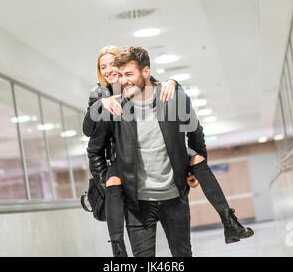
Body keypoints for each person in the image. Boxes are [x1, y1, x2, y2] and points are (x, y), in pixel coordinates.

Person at [87, 46, 253, 257]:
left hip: (175, 198)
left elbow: (196, 134)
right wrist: (110, 187)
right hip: (138, 204)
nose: (123, 81)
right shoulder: (114, 108)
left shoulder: (172, 98)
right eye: (120, 76)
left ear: (146, 72)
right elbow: (94, 151)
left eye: (129, 74)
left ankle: (229, 221)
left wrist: (193, 171)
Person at [83, 46, 178, 257]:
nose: (108, 70)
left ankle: (228, 219)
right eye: (103, 66)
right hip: (120, 161)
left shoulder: (138, 85)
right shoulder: (100, 93)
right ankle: (117, 247)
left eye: (112, 64)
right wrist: (100, 104)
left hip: (151, 167)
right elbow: (90, 135)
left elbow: (155, 80)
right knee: (114, 182)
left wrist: (173, 82)